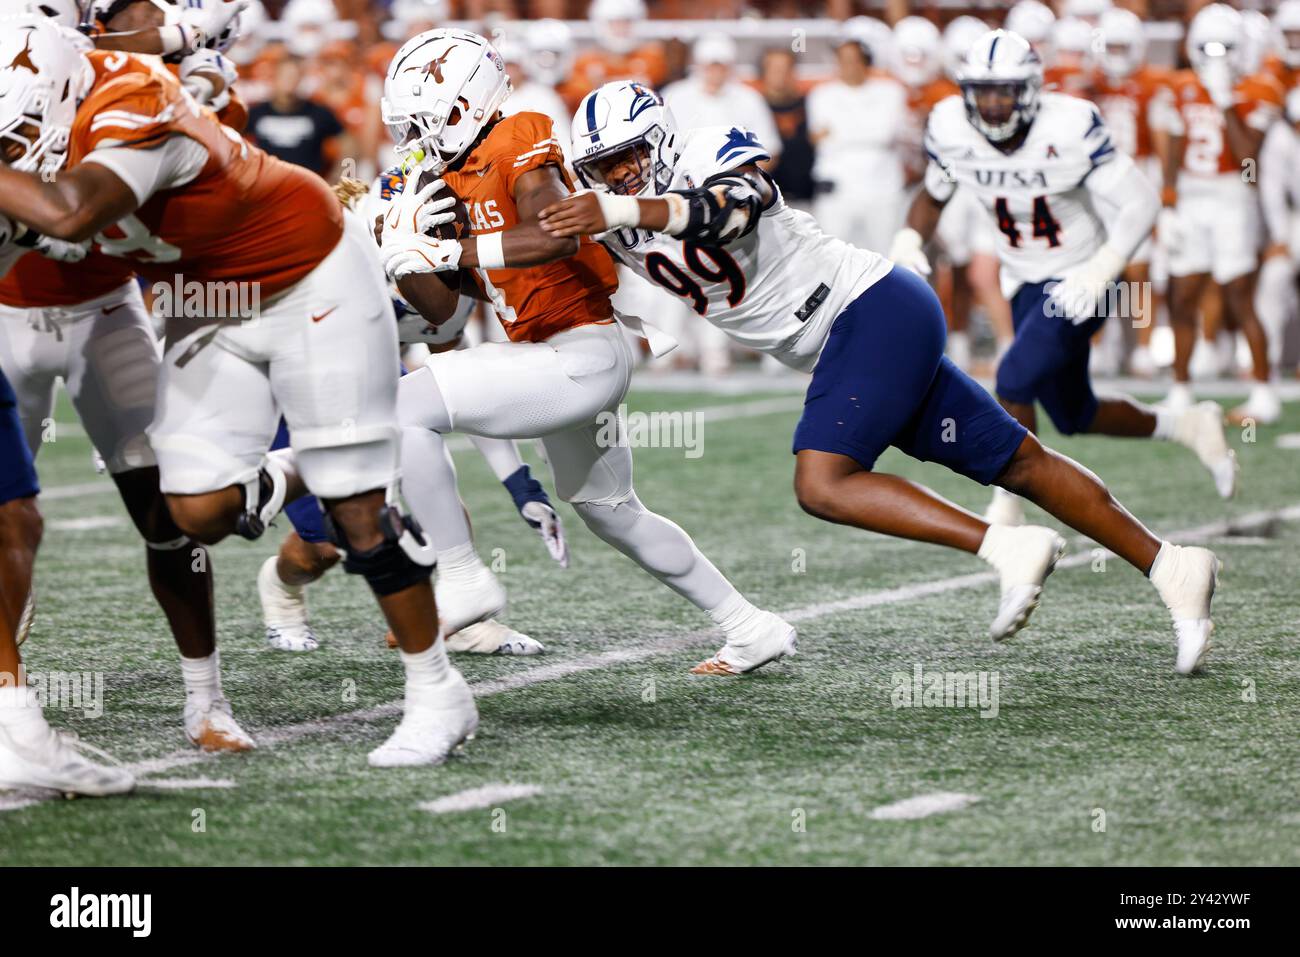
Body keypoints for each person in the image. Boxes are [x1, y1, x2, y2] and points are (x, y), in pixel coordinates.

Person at [537, 77, 1222, 677]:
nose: (620, 175)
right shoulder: (606, 216)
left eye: (629, 155)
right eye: (603, 165)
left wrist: (622, 211)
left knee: (823, 481)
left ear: (658, 138)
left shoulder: (704, 152)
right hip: (853, 337)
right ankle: (1173, 565)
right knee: (1020, 461)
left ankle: (1007, 545)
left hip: (869, 309)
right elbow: (544, 247)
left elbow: (729, 210)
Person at [0, 15, 476, 769]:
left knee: (354, 507)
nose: (10, 155)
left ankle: (438, 691)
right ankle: (296, 464)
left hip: (308, 274)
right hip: (203, 300)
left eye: (10, 136)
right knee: (196, 511)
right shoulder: (60, 103)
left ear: (58, 90)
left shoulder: (133, 96)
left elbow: (71, 212)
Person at [377, 30, 797, 678]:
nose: (416, 142)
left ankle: (461, 577)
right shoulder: (450, 177)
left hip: (580, 352)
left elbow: (555, 236)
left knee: (406, 410)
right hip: (547, 361)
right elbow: (446, 319)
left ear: (461, 105)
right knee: (614, 513)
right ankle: (751, 625)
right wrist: (404, 257)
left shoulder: (517, 135)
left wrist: (450, 252)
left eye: (422, 124)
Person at [891, 29, 1237, 529]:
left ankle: (1012, 508)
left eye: (1003, 91)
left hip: (1083, 276)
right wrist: (908, 238)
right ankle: (1187, 424)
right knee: (1074, 413)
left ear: (1029, 90)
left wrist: (1104, 267)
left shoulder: (1068, 126)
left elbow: (1139, 200)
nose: (990, 105)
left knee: (1012, 377)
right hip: (1023, 278)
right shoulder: (950, 127)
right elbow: (932, 193)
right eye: (981, 92)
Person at [1157, 3, 1284, 424]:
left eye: (1224, 48)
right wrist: (1170, 200)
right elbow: (1175, 146)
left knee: (1238, 295)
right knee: (1182, 295)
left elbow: (1249, 163)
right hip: (1192, 197)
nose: (1215, 58)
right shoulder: (1181, 86)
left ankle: (1265, 392)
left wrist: (1226, 99)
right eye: (1207, 49)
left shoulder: (1260, 88)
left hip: (1234, 197)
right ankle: (1179, 391)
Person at [807, 16, 909, 253]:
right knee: (833, 256)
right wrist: (867, 131)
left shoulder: (892, 92)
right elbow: (817, 137)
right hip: (838, 191)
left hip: (882, 189)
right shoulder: (820, 94)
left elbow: (884, 134)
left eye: (854, 60)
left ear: (867, 62)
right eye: (842, 60)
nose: (848, 66)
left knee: (885, 256)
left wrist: (837, 132)